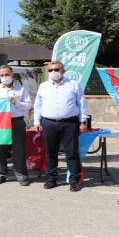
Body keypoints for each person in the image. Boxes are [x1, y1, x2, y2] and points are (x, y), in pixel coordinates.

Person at [33, 61, 87, 192]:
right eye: (50, 70)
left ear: (63, 70)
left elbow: (82, 103)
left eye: (56, 69)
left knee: (72, 152)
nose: (53, 72)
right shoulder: (43, 86)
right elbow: (38, 105)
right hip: (49, 123)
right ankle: (51, 178)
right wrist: (36, 121)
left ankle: (74, 180)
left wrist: (83, 121)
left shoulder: (73, 84)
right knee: (50, 153)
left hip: (69, 123)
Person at [0, 65, 32, 186]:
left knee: (19, 150)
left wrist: (16, 103)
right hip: (0, 123)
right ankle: (0, 174)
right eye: (2, 75)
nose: (5, 77)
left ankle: (21, 175)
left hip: (17, 121)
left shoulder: (21, 89)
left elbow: (28, 106)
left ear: (12, 74)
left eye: (7, 74)